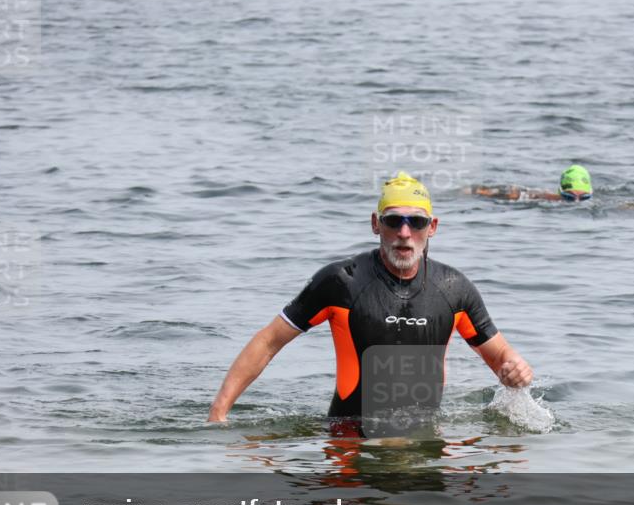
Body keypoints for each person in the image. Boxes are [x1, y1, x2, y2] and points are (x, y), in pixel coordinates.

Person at [208, 171, 534, 423]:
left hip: (422, 441)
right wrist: (218, 414)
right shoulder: (341, 282)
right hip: (350, 440)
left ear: (432, 227)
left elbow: (500, 356)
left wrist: (515, 371)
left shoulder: (453, 289)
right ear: (376, 224)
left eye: (416, 222)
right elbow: (269, 341)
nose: (404, 233)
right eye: (393, 221)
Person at [464, 164, 593, 202]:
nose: (576, 202)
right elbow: (478, 190)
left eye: (584, 198)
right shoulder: (536, 197)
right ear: (560, 193)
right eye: (569, 197)